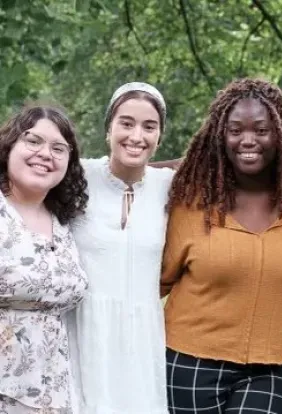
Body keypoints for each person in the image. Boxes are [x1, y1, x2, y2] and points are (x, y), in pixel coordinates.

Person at [160, 78, 282, 414]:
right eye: (235, 130)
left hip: (267, 367)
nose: (248, 140)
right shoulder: (190, 204)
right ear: (220, 136)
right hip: (190, 363)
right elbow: (155, 280)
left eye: (261, 130)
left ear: (279, 135)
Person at [69, 82, 174, 413]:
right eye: (126, 123)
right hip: (83, 334)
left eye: (149, 126)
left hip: (142, 341)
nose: (136, 136)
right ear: (108, 129)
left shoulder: (169, 187)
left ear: (159, 137)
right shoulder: (75, 176)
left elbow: (217, 158)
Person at [0, 105, 89, 413]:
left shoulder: (63, 222)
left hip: (54, 392)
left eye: (58, 148)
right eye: (33, 141)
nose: (45, 153)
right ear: (9, 147)